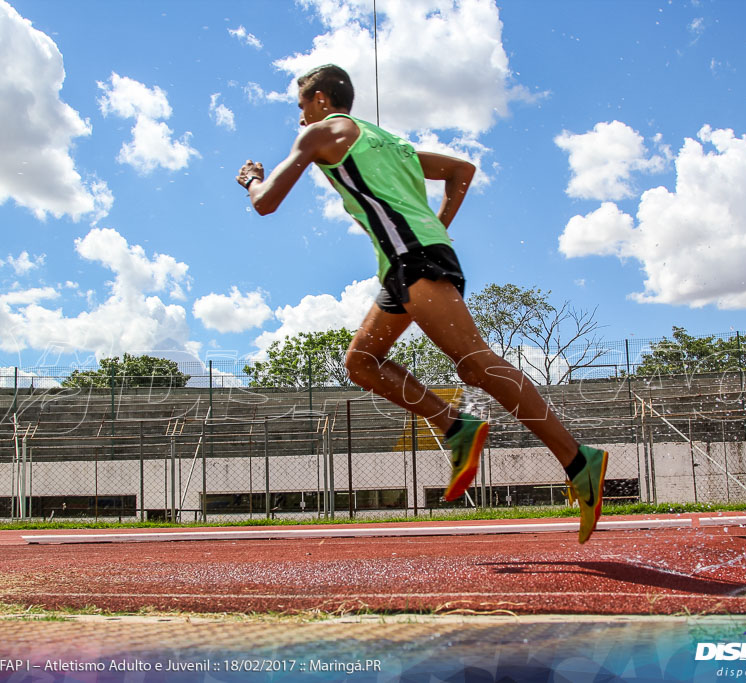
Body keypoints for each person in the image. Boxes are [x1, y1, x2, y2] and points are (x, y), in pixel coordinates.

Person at [236, 64, 608, 543]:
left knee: (475, 365)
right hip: (405, 263)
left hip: (415, 259)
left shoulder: (322, 133)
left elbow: (266, 202)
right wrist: (439, 225)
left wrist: (251, 178)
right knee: (362, 363)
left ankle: (580, 461)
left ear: (324, 100)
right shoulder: (388, 141)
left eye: (302, 104)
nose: (300, 116)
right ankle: (455, 426)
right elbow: (461, 171)